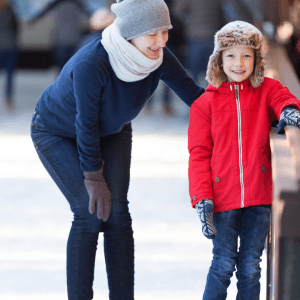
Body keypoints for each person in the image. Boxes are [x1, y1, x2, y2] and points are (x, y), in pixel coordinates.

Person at [30, 0, 204, 299]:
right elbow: (85, 124)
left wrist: (251, 114)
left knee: (119, 214)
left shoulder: (159, 58)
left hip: (113, 129)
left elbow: (198, 100)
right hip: (56, 131)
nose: (161, 41)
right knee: (89, 214)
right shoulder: (92, 63)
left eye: (165, 32)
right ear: (131, 32)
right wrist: (94, 178)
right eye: (152, 33)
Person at [188, 21, 300, 300]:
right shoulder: (205, 104)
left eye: (247, 55)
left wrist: (288, 111)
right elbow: (198, 154)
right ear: (219, 60)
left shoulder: (266, 89)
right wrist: (202, 198)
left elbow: (283, 97)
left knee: (251, 266)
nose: (239, 63)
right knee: (223, 263)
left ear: (257, 59)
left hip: (259, 197)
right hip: (222, 198)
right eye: (231, 56)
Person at [0, 0, 19, 107]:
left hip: (9, 46)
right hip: (9, 45)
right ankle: (8, 98)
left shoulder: (11, 12)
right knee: (9, 74)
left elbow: (16, 28)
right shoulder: (11, 12)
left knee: (10, 74)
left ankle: (9, 98)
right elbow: (16, 28)